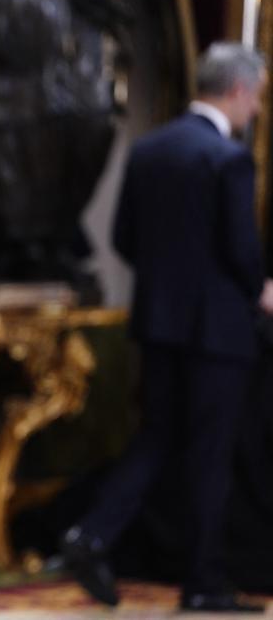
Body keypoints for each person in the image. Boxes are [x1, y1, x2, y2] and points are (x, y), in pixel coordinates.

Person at [61, 42, 273, 612]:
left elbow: (125, 238)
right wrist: (260, 291)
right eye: (256, 98)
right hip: (219, 336)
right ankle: (203, 581)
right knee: (209, 455)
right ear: (239, 90)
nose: (255, 110)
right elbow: (242, 252)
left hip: (157, 327)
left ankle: (91, 534)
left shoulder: (150, 149)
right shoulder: (228, 159)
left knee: (157, 438)